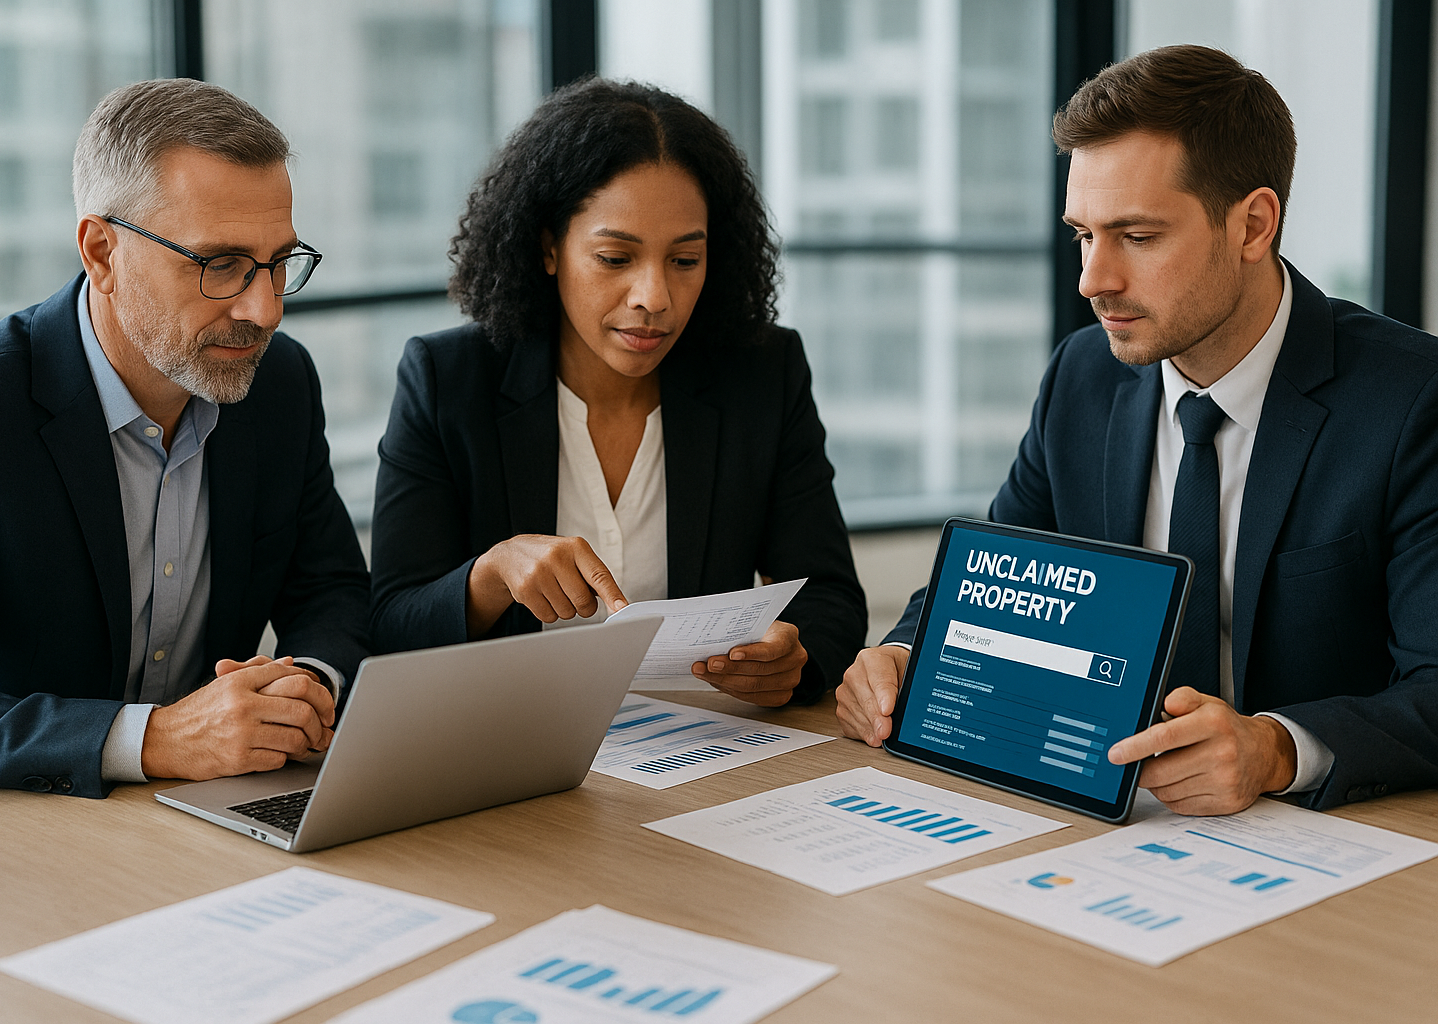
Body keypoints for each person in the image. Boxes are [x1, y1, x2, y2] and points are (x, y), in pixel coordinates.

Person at [837, 45, 1438, 814]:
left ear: (1253, 225)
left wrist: (1276, 749)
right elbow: (990, 577)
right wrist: (898, 655)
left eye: (1139, 237)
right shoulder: (1082, 377)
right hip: (1108, 825)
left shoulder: (1413, 401)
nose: (1093, 280)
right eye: (1083, 234)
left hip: (1327, 842)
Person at [0, 80, 370, 797]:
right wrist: (153, 739)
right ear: (101, 253)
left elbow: (330, 590)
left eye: (280, 262)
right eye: (221, 265)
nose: (265, 309)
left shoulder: (278, 385)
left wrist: (305, 684)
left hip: (218, 806)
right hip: (30, 827)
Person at [370, 78, 866, 706]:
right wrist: (491, 575)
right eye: (614, 259)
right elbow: (390, 626)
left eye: (685, 261)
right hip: (515, 755)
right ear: (550, 247)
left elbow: (832, 598)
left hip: (702, 748)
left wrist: (793, 655)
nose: (653, 298)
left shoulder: (763, 375)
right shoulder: (447, 380)